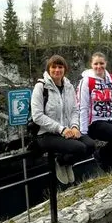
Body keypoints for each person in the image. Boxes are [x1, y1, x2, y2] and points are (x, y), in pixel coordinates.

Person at [31, 55, 96, 184]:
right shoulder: (40, 87)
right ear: (48, 69)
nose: (57, 70)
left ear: (65, 69)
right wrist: (61, 129)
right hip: (46, 134)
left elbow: (74, 110)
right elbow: (37, 115)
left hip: (67, 130)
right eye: (53, 67)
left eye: (60, 67)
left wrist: (75, 127)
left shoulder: (68, 86)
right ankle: (60, 161)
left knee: (90, 145)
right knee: (79, 148)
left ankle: (66, 162)